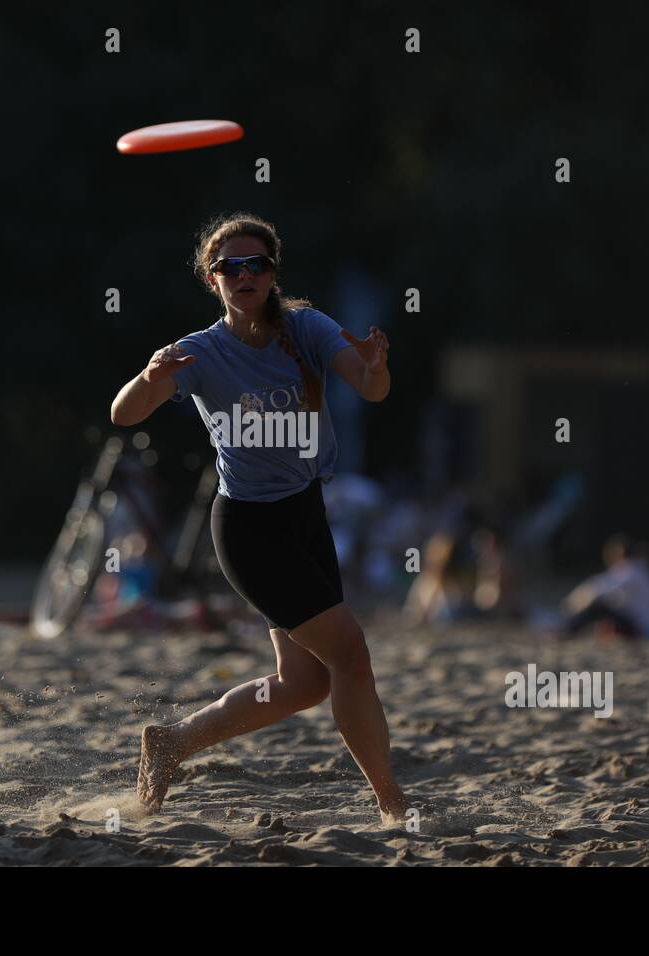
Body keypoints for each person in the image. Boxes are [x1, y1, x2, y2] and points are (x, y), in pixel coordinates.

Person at [110, 212, 409, 822]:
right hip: (248, 528)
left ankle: (173, 743)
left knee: (304, 683)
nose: (246, 275)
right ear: (212, 278)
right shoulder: (198, 351)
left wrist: (374, 368)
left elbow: (369, 387)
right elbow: (123, 414)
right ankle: (393, 805)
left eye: (258, 265)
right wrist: (150, 376)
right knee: (350, 656)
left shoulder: (307, 328)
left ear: (273, 273)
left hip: (305, 514)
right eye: (231, 267)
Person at [561, 533, 649, 639]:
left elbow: (597, 590)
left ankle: (566, 631)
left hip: (644, 629)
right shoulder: (643, 571)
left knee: (599, 607)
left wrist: (571, 604)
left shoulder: (631, 570)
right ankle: (568, 629)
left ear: (618, 553)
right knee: (609, 608)